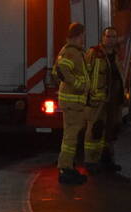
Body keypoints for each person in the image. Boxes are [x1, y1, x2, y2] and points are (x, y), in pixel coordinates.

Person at [83, 26, 125, 173]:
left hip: (113, 100)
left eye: (114, 37)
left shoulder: (115, 54)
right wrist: (88, 95)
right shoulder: (94, 53)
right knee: (95, 129)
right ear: (102, 38)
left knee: (111, 130)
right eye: (108, 36)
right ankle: (90, 161)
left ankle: (107, 160)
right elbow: (85, 73)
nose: (111, 39)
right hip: (97, 100)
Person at [53, 22, 89, 185]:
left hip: (73, 101)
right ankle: (66, 169)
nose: (83, 38)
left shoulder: (69, 51)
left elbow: (57, 71)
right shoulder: (71, 52)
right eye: (82, 35)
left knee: (70, 136)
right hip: (73, 100)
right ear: (77, 35)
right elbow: (61, 71)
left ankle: (68, 166)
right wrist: (79, 85)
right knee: (71, 137)